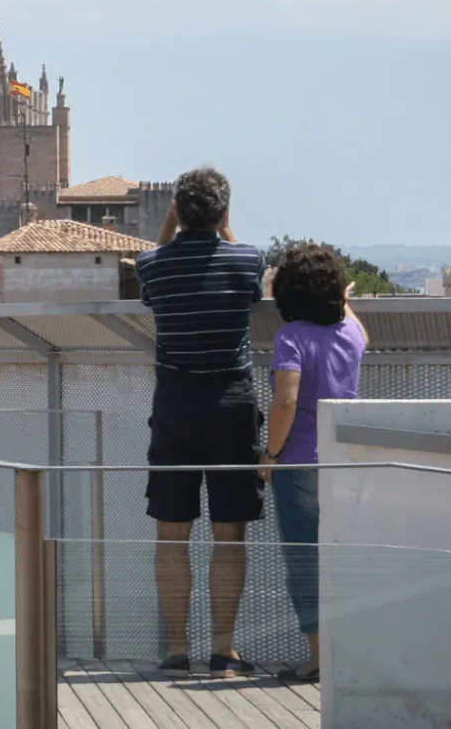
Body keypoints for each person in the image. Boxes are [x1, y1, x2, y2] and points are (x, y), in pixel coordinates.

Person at [135, 167, 265, 678]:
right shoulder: (247, 259)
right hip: (231, 403)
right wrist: (224, 228)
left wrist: (170, 226)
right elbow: (248, 275)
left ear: (178, 211)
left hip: (175, 402)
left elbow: (156, 258)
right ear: (224, 212)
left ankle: (175, 649)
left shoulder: (154, 266)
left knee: (173, 528)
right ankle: (223, 651)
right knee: (229, 528)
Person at [259, 245, 367, 683]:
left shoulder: (292, 337)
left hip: (301, 463)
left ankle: (321, 658)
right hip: (345, 461)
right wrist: (345, 300)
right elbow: (358, 328)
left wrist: (269, 457)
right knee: (343, 560)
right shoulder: (350, 332)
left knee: (306, 563)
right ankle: (349, 653)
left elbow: (286, 401)